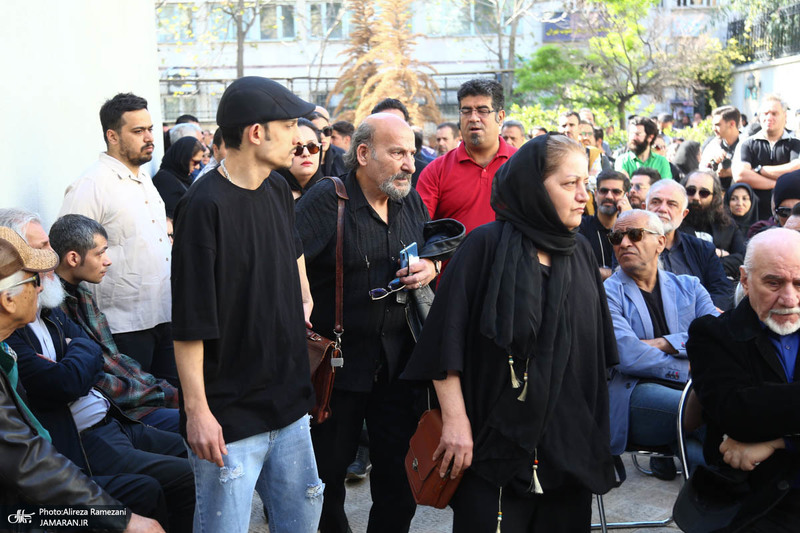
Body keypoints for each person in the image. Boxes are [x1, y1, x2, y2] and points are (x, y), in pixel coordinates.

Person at [402, 134, 618, 531]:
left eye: (584, 183)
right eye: (569, 183)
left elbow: (595, 356)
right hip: (492, 443)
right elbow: (444, 344)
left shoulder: (581, 252)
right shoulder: (484, 247)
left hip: (568, 447)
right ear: (534, 187)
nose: (582, 196)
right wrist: (455, 422)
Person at [171, 76, 323, 533]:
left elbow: (292, 249)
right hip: (229, 419)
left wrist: (304, 297)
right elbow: (190, 322)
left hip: (290, 406)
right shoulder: (203, 206)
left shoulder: (277, 188)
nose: (299, 136)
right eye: (289, 125)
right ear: (256, 132)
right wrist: (198, 413)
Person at [296, 112, 433, 532]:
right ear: (362, 153)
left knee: (399, 478)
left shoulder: (408, 199)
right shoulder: (328, 199)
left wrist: (430, 267)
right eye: (397, 153)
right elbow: (283, 258)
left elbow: (430, 247)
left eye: (411, 153)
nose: (410, 164)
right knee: (325, 477)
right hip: (338, 369)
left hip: (398, 367)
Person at [0, 227, 165, 532]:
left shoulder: (11, 342)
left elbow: (90, 350)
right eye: (34, 280)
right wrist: (122, 519)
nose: (41, 287)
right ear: (8, 299)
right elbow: (27, 458)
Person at [685, 228, 800, 530]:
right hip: (750, 504)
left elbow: (757, 410)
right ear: (745, 280)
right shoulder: (713, 334)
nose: (789, 298)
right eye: (773, 282)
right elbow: (739, 415)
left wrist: (778, 441)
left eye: (799, 283)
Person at [59, 93, 175, 383]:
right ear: (112, 136)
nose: (149, 137)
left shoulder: (144, 179)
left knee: (172, 397)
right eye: (138, 131)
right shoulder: (91, 185)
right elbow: (67, 254)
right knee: (138, 402)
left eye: (150, 129)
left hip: (164, 313)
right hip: (122, 325)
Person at [604, 209, 717, 480]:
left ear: (660, 242)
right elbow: (627, 356)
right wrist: (687, 368)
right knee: (714, 409)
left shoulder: (690, 287)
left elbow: (716, 339)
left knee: (709, 455)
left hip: (693, 389)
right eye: (616, 237)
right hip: (632, 394)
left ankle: (727, 492)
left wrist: (665, 343)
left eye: (635, 235)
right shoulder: (605, 293)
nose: (624, 243)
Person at [49, 214, 180, 433]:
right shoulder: (53, 310)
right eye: (99, 253)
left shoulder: (83, 294)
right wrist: (163, 394)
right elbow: (98, 381)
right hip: (115, 415)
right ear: (73, 258)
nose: (107, 261)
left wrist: (163, 390)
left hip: (134, 402)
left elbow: (115, 358)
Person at [416, 78, 516, 235]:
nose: (473, 118)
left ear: (500, 117)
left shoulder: (521, 164)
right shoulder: (436, 171)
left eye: (483, 110)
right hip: (455, 252)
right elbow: (418, 228)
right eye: (466, 111)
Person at [645, 179, 733, 309]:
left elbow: (722, 291)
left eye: (672, 204)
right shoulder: (628, 246)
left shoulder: (702, 249)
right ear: (644, 207)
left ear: (684, 214)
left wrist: (706, 313)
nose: (662, 209)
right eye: (656, 202)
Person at [733, 94, 800, 221]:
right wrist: (778, 184)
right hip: (753, 217)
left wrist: (759, 170)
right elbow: (741, 175)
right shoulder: (747, 144)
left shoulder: (796, 144)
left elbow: (796, 169)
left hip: (789, 218)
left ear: (785, 116)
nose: (769, 117)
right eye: (765, 113)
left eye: (774, 113)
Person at [680, 170, 746, 279]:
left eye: (703, 193)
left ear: (714, 197)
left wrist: (709, 265)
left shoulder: (727, 225)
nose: (696, 197)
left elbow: (742, 259)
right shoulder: (675, 223)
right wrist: (719, 254)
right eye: (691, 191)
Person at [578, 169, 631, 279]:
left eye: (616, 192)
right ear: (595, 195)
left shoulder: (631, 231)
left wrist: (628, 218)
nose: (609, 196)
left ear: (625, 197)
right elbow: (578, 269)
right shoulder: (579, 226)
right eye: (604, 191)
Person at [152, 136, 205, 220]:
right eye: (195, 162)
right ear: (183, 158)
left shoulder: (183, 177)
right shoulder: (165, 181)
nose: (197, 167)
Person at [278, 117, 323, 200]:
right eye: (297, 148)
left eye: (312, 147)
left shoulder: (332, 193)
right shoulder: (270, 195)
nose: (306, 153)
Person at [746, 169, 800, 238]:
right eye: (784, 212)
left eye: (798, 211)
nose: (791, 218)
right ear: (776, 213)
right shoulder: (763, 236)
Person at [615, 116, 672, 180]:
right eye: (631, 134)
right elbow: (623, 184)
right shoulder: (622, 160)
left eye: (638, 134)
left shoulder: (661, 162)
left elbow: (665, 184)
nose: (633, 138)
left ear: (650, 137)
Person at [701, 105, 741, 189]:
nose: (713, 129)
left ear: (732, 124)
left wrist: (733, 172)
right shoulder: (712, 146)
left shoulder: (748, 145)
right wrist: (714, 168)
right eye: (713, 125)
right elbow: (702, 174)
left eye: (717, 125)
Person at [309, 110, 347, 177]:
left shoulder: (342, 156)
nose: (322, 136)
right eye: (317, 132)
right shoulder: (301, 158)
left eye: (326, 130)